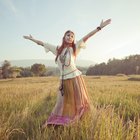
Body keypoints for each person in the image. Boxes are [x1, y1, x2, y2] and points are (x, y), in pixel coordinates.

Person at [23, 19, 111, 127]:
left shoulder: (75, 47)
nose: (70, 37)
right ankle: (58, 121)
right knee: (61, 102)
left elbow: (87, 36)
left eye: (72, 36)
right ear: (64, 37)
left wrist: (99, 27)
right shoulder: (57, 49)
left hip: (75, 78)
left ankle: (78, 120)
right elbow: (42, 43)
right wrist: (32, 39)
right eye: (68, 35)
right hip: (64, 80)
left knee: (78, 101)